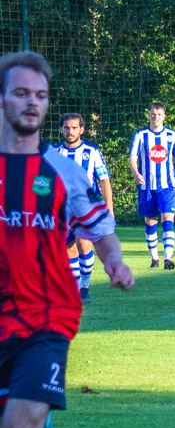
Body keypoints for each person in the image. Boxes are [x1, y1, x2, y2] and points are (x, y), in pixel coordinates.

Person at [0, 51, 135, 428]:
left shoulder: (61, 170)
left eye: (40, 95)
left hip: (47, 318)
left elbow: (99, 228)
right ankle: (39, 424)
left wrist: (115, 261)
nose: (32, 103)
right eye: (21, 93)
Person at [52, 113, 114, 301]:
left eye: (74, 128)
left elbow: (104, 181)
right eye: (66, 128)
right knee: (69, 249)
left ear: (82, 130)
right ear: (61, 129)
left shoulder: (92, 152)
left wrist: (109, 209)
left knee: (83, 243)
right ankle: (77, 287)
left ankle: (85, 286)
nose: (70, 131)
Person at [128, 102, 175, 269]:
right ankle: (154, 259)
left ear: (164, 117)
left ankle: (168, 258)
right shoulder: (140, 135)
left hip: (168, 186)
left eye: (159, 114)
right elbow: (132, 157)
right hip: (147, 187)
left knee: (168, 219)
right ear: (149, 115)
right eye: (153, 114)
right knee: (151, 222)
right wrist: (136, 173)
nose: (156, 117)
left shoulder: (172, 135)